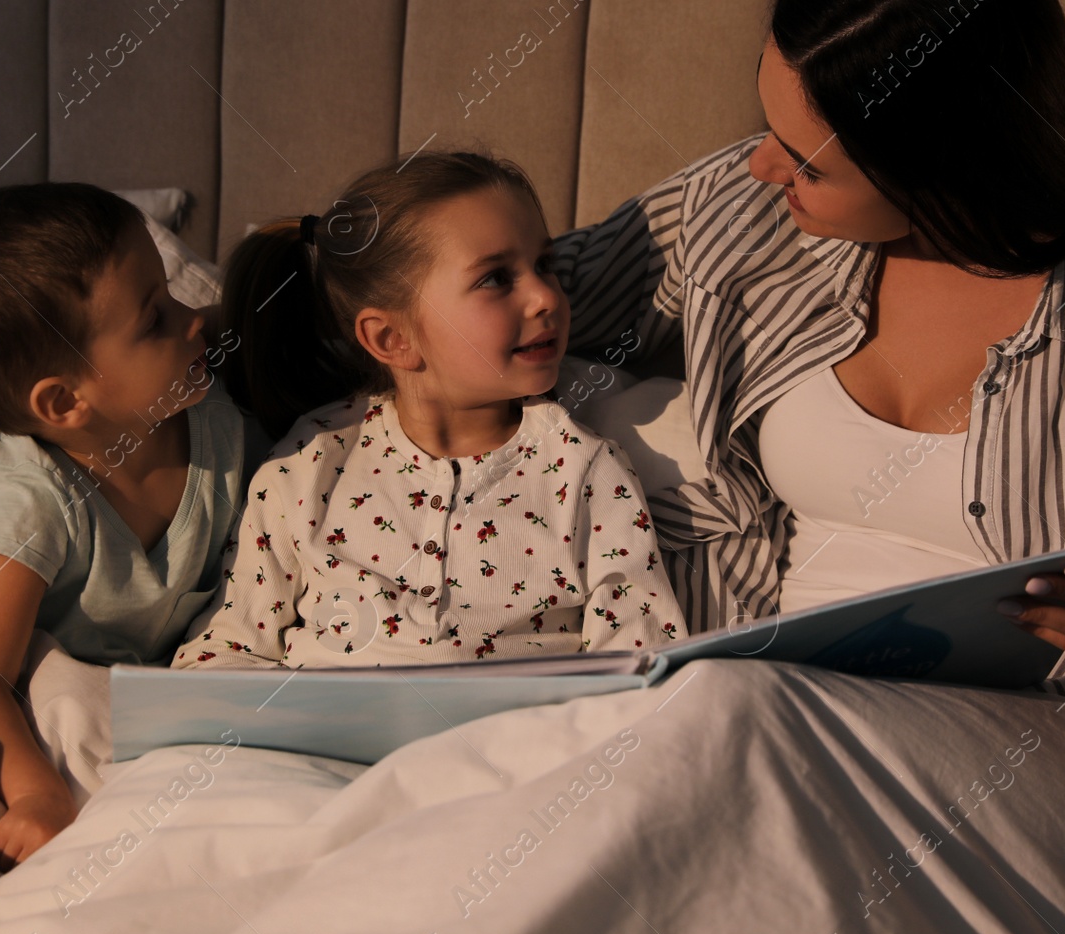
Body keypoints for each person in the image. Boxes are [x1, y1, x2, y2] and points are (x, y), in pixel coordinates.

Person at [551, 0, 1065, 849]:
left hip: (1033, 772)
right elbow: (490, 312)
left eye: (808, 162)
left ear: (945, 165)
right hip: (758, 719)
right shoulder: (745, 216)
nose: (761, 167)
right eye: (768, 127)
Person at [173, 152, 684, 668]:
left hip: (524, 739)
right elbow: (225, 650)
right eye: (496, 279)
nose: (544, 297)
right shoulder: (305, 467)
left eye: (545, 265)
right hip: (325, 743)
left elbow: (641, 659)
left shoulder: (587, 470)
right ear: (392, 338)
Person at [0, 183, 260, 867]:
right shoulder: (32, 502)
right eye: (154, 319)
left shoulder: (214, 405)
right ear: (64, 402)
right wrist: (36, 797)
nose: (191, 321)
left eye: (171, 294)